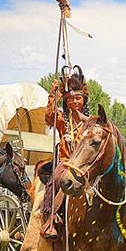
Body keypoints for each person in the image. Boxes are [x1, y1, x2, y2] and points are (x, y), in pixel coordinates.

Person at [40, 66, 89, 239]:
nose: (75, 102)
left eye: (78, 98)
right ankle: (51, 220)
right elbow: (49, 117)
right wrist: (53, 94)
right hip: (67, 161)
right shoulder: (62, 119)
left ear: (84, 100)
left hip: (86, 163)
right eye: (71, 99)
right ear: (66, 101)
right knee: (56, 179)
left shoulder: (89, 122)